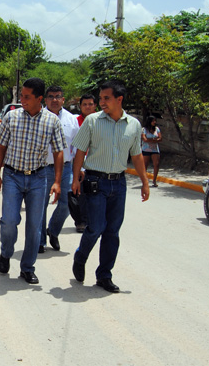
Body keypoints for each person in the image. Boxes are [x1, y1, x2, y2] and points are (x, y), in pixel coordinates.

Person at [71, 80, 150, 293]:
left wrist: (145, 181)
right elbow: (79, 150)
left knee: (112, 231)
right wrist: (76, 178)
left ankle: (104, 275)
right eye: (100, 98)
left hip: (119, 183)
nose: (101, 102)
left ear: (119, 99)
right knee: (95, 227)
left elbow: (137, 155)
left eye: (106, 98)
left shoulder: (133, 125)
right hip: (95, 181)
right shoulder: (92, 121)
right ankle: (81, 256)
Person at [0, 77, 66, 285]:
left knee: (34, 226)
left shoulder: (52, 121)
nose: (22, 100)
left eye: (26, 96)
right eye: (21, 96)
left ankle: (27, 268)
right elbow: (0, 147)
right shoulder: (11, 117)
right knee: (9, 221)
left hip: (38, 178)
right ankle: (6, 253)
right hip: (13, 176)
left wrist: (57, 181)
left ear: (39, 98)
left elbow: (59, 151)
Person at [39, 86, 80, 252]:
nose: (54, 100)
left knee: (67, 205)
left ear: (63, 99)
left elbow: (77, 148)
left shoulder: (72, 120)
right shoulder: (38, 118)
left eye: (58, 96)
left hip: (66, 169)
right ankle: (40, 241)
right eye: (51, 97)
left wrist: (79, 170)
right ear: (45, 100)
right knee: (40, 206)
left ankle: (53, 231)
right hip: (43, 168)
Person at [71, 94, 97, 232]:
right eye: (85, 104)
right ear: (80, 106)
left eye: (90, 104)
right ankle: (81, 221)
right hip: (79, 162)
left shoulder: (100, 121)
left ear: (95, 106)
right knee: (79, 194)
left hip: (94, 163)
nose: (88, 106)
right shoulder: (75, 121)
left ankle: (92, 220)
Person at [142, 115, 162, 187]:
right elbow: (144, 139)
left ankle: (154, 180)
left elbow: (160, 138)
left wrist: (151, 140)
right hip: (146, 149)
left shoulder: (157, 129)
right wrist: (154, 140)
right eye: (153, 121)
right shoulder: (144, 129)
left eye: (155, 121)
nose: (154, 122)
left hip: (155, 149)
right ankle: (144, 180)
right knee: (145, 165)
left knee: (156, 164)